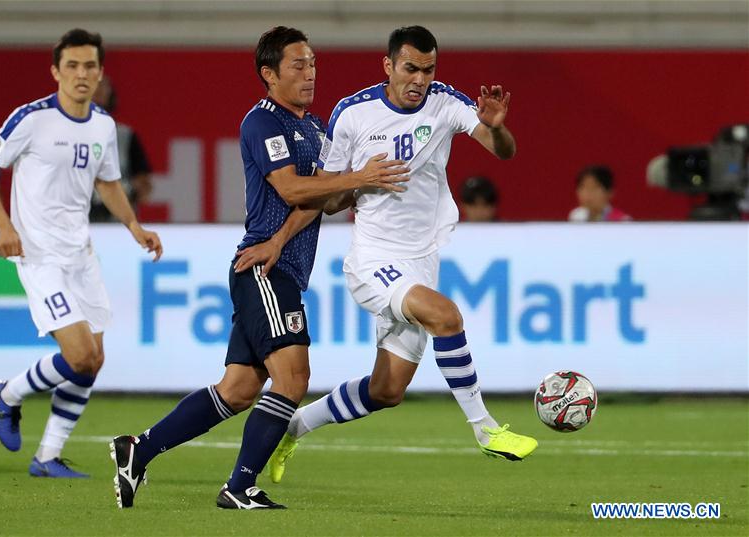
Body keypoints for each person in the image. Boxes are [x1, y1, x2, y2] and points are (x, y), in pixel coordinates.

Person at [109, 26, 408, 510]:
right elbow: (292, 190)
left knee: (238, 388)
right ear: (269, 74)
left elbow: (322, 200)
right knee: (293, 378)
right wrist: (355, 178)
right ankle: (240, 486)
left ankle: (136, 450)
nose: (310, 73)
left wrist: (366, 185)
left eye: (312, 63)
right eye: (298, 64)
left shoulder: (314, 130)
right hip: (265, 271)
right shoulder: (262, 122)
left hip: (278, 262)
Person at [267, 25, 538, 485]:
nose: (420, 80)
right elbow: (327, 201)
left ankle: (294, 426)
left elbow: (503, 152)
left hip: (420, 261)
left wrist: (496, 128)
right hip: (373, 260)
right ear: (388, 65)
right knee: (447, 316)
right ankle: (486, 430)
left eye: (428, 70)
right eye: (410, 68)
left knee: (386, 390)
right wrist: (361, 179)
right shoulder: (352, 114)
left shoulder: (446, 102)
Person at [0, 28, 163, 478]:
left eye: (89, 66)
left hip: (81, 253)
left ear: (100, 73)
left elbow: (107, 181)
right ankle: (9, 394)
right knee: (78, 355)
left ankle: (47, 456)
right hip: (39, 254)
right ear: (56, 71)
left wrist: (135, 226)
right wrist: (3, 224)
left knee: (94, 359)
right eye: (72, 65)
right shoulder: (32, 119)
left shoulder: (103, 125)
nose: (81, 74)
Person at [89, 78, 153, 222]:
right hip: (78, 224)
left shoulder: (126, 136)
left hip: (118, 225)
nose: (98, 89)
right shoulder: (65, 136)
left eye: (103, 85)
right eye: (92, 84)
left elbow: (145, 186)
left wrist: (127, 190)